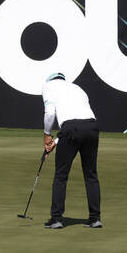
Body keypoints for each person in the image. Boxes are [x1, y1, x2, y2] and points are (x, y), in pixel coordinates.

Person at [41, 72, 101, 229]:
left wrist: (47, 135)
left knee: (61, 175)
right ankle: (95, 218)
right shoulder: (77, 88)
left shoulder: (48, 86)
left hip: (70, 128)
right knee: (91, 174)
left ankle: (56, 219)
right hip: (92, 127)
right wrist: (55, 141)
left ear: (50, 80)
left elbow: (51, 113)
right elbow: (78, 123)